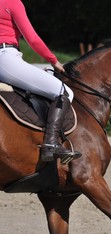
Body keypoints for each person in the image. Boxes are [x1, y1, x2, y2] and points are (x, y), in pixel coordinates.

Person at [0, 0, 80, 162]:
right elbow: (33, 39)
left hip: (8, 60)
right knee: (63, 91)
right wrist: (54, 61)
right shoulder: (12, 3)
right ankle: (51, 144)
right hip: (5, 58)